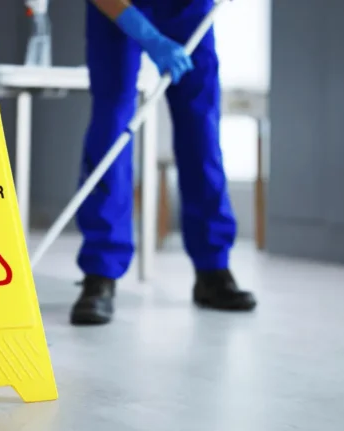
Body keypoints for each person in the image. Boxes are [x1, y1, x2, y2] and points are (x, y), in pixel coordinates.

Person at [71, 0, 256, 326]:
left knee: (201, 129)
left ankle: (213, 269)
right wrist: (148, 35)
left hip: (187, 6)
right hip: (118, 7)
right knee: (111, 126)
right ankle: (100, 273)